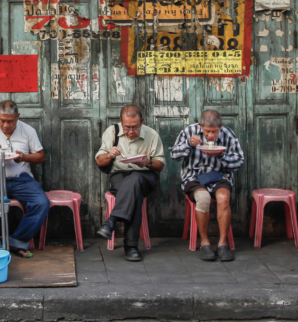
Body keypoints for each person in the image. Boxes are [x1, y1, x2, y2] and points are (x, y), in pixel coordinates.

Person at [0, 100, 48, 258]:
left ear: (18, 117)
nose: (6, 125)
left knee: (41, 203)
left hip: (22, 180)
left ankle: (18, 241)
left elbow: (41, 156)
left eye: (10, 121)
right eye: (2, 121)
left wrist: (24, 157)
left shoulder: (28, 130)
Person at [171, 110, 244, 262]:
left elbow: (239, 161)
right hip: (194, 176)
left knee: (224, 198)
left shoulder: (228, 134)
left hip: (218, 175)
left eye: (215, 131)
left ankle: (223, 243)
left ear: (221, 126)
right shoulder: (189, 131)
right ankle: (204, 242)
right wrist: (188, 145)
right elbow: (174, 155)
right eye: (207, 131)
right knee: (203, 198)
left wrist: (221, 155)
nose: (211, 135)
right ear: (200, 125)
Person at [94, 105, 165, 261]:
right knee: (135, 193)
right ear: (121, 121)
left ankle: (111, 221)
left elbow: (160, 165)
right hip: (119, 175)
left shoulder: (152, 135)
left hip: (145, 175)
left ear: (142, 122)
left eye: (135, 127)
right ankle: (130, 247)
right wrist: (109, 155)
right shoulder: (112, 132)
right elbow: (100, 161)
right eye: (127, 127)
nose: (131, 131)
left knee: (135, 179)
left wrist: (147, 162)